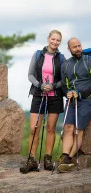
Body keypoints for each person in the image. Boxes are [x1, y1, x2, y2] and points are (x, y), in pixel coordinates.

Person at [27, 30, 66, 171]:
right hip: (38, 95)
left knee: (50, 129)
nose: (55, 42)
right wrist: (40, 85)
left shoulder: (61, 58)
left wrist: (54, 86)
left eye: (58, 40)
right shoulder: (38, 54)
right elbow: (30, 75)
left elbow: (64, 79)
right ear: (48, 39)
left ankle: (48, 159)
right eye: (53, 39)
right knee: (34, 129)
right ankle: (31, 159)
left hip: (55, 97)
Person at [57, 37, 91, 173]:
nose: (78, 49)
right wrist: (68, 94)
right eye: (75, 47)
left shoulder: (89, 60)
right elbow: (64, 85)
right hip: (71, 101)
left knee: (78, 130)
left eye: (79, 46)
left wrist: (80, 93)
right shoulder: (65, 65)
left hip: (86, 100)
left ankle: (68, 158)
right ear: (69, 49)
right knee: (68, 127)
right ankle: (65, 157)